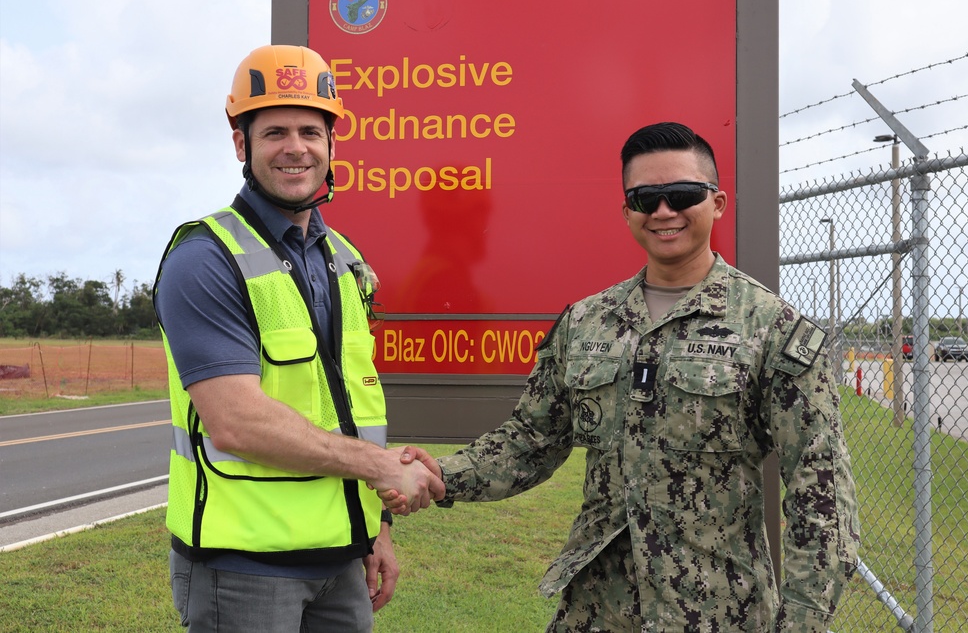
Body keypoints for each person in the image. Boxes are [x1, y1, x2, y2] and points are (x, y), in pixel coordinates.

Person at [386, 122, 860, 632]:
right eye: (645, 198)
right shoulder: (588, 321)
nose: (663, 211)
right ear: (627, 211)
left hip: (720, 614)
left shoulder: (771, 329)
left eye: (682, 194)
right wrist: (442, 476)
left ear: (717, 203)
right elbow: (531, 441)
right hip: (598, 611)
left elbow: (822, 492)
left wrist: (804, 622)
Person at [154, 44, 443, 632]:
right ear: (242, 145)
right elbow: (237, 422)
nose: (295, 147)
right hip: (243, 570)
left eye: (311, 130)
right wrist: (383, 468)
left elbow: (350, 408)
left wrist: (375, 527)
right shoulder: (206, 258)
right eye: (274, 132)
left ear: (332, 145)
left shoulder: (344, 260)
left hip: (341, 560)